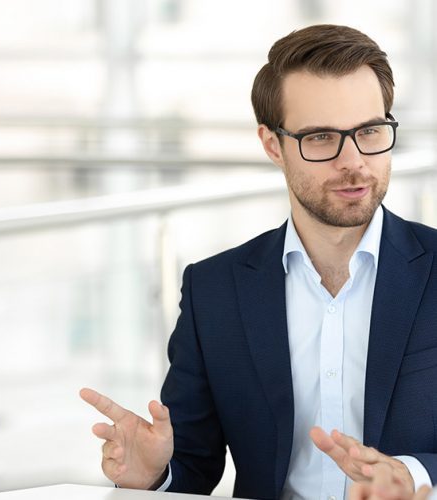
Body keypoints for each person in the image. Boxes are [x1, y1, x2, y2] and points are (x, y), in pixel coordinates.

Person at [80, 24, 437, 500]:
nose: (353, 160)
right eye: (321, 137)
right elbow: (192, 463)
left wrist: (414, 475)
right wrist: (155, 475)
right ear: (273, 145)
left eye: (370, 131)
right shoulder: (215, 291)